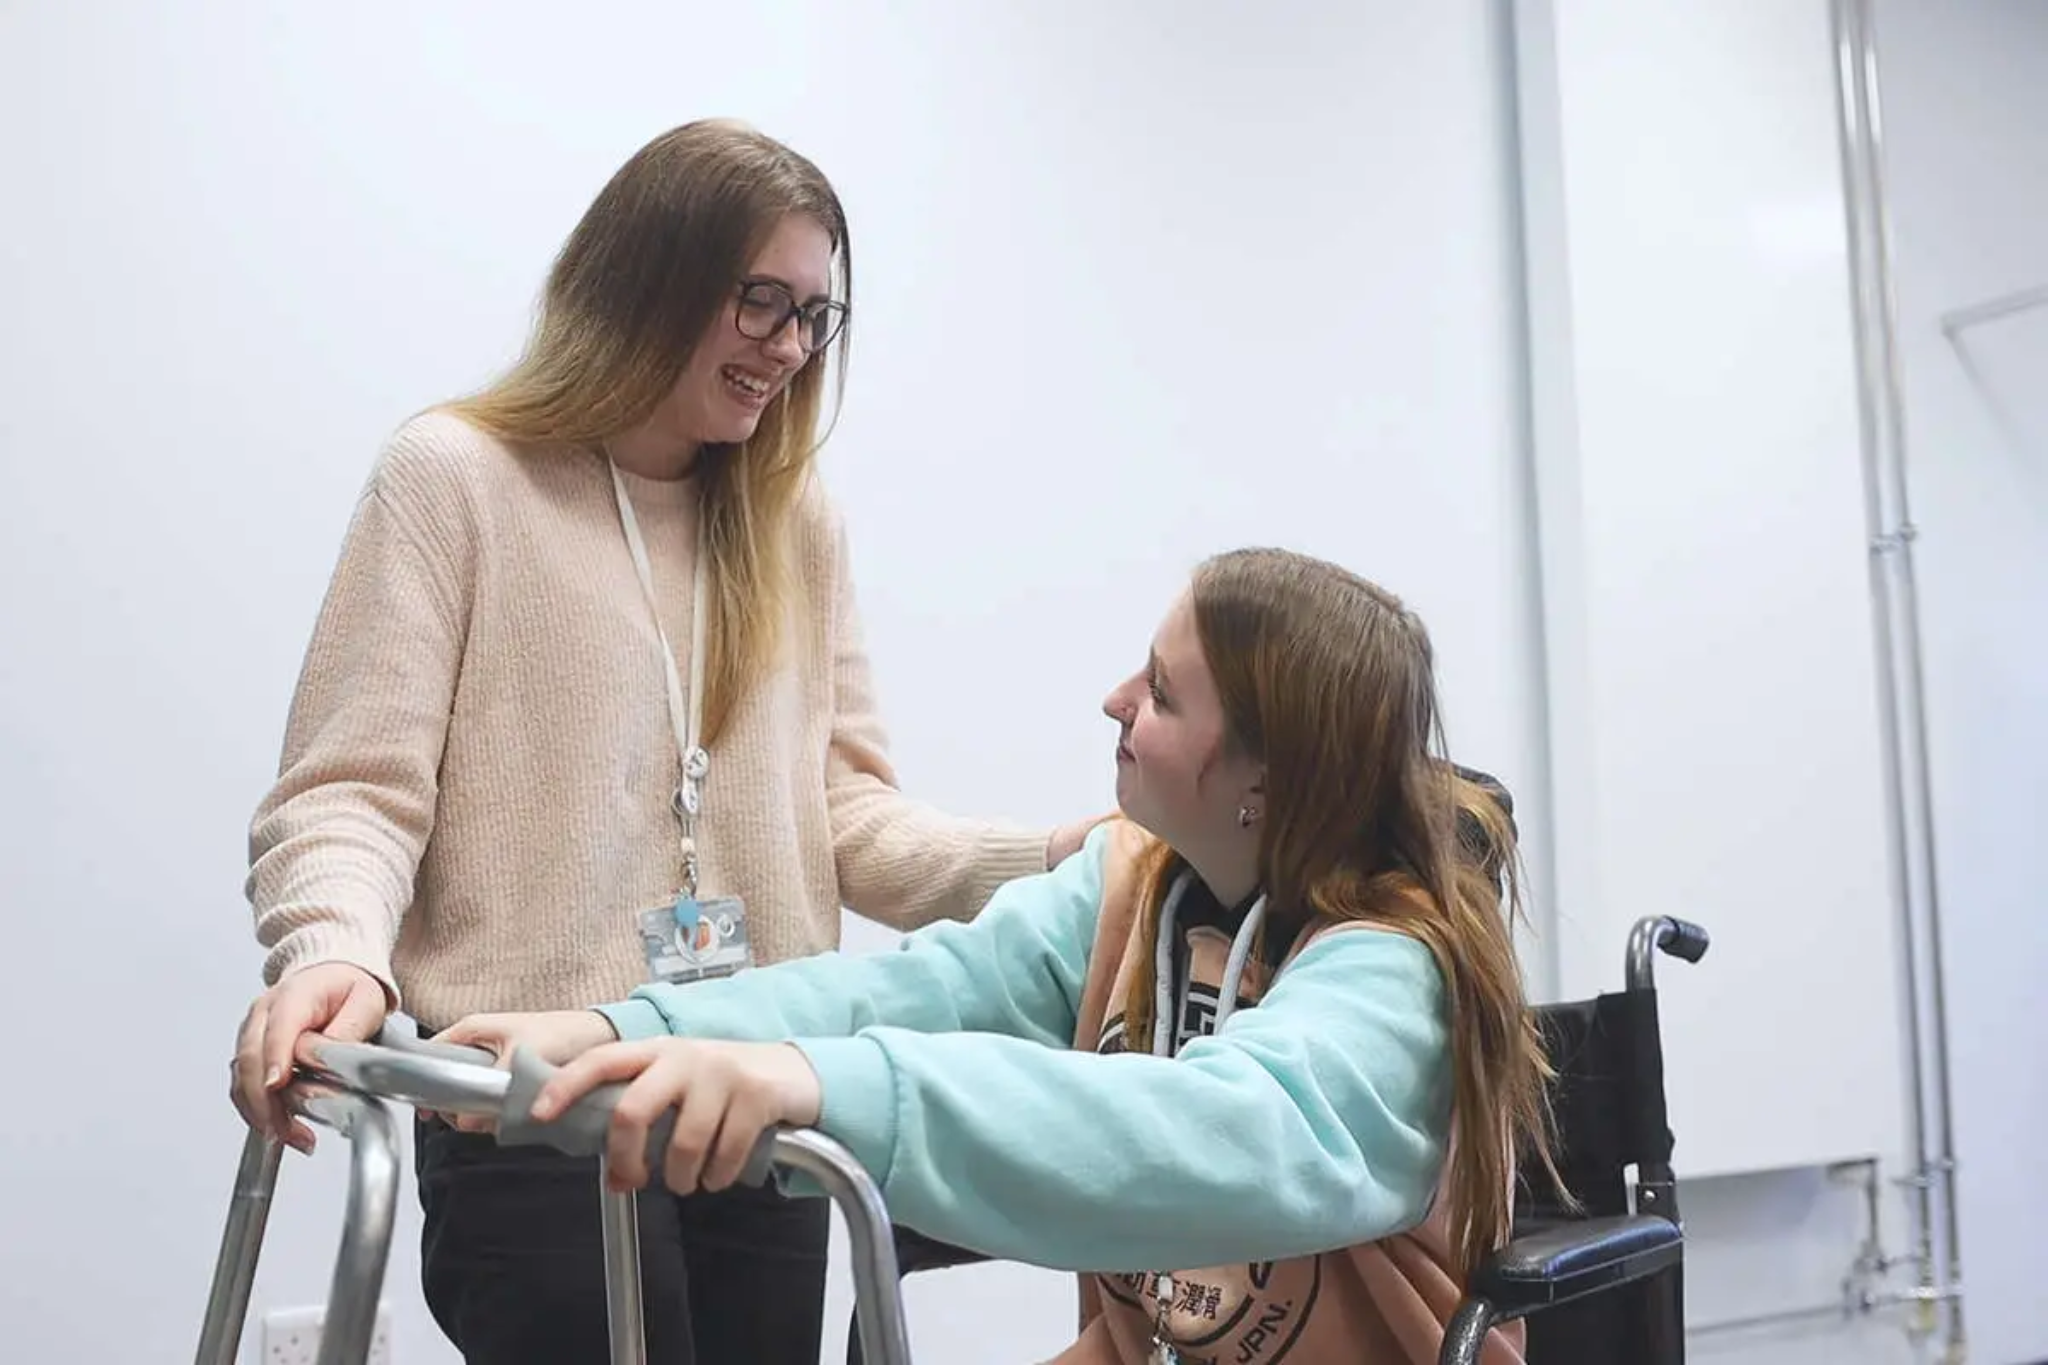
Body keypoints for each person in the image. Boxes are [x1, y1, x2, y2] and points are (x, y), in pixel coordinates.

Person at [228, 118, 1102, 1365]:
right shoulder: (455, 479)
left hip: (747, 1095)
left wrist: (1070, 855)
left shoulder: (795, 522)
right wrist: (340, 954)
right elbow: (350, 796)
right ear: (650, 274)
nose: (789, 348)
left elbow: (844, 815)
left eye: (814, 316)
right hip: (527, 1104)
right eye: (760, 303)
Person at [441, 547, 1553, 1365]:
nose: (1113, 703)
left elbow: (1202, 1135)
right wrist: (622, 1031)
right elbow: (914, 994)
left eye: (1160, 694)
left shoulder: (1394, 970)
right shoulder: (1131, 884)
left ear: (1266, 783)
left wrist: (824, 1086)